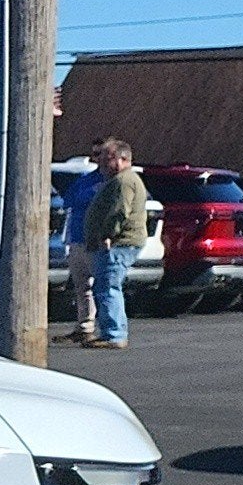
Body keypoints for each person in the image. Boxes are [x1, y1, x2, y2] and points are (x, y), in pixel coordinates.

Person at [74, 137, 148, 348]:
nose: (103, 164)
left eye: (109, 159)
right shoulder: (117, 180)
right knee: (106, 286)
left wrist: (107, 235)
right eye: (102, 159)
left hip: (118, 244)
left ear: (124, 159)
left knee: (107, 287)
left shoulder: (124, 181)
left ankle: (113, 334)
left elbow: (119, 212)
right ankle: (113, 331)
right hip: (114, 243)